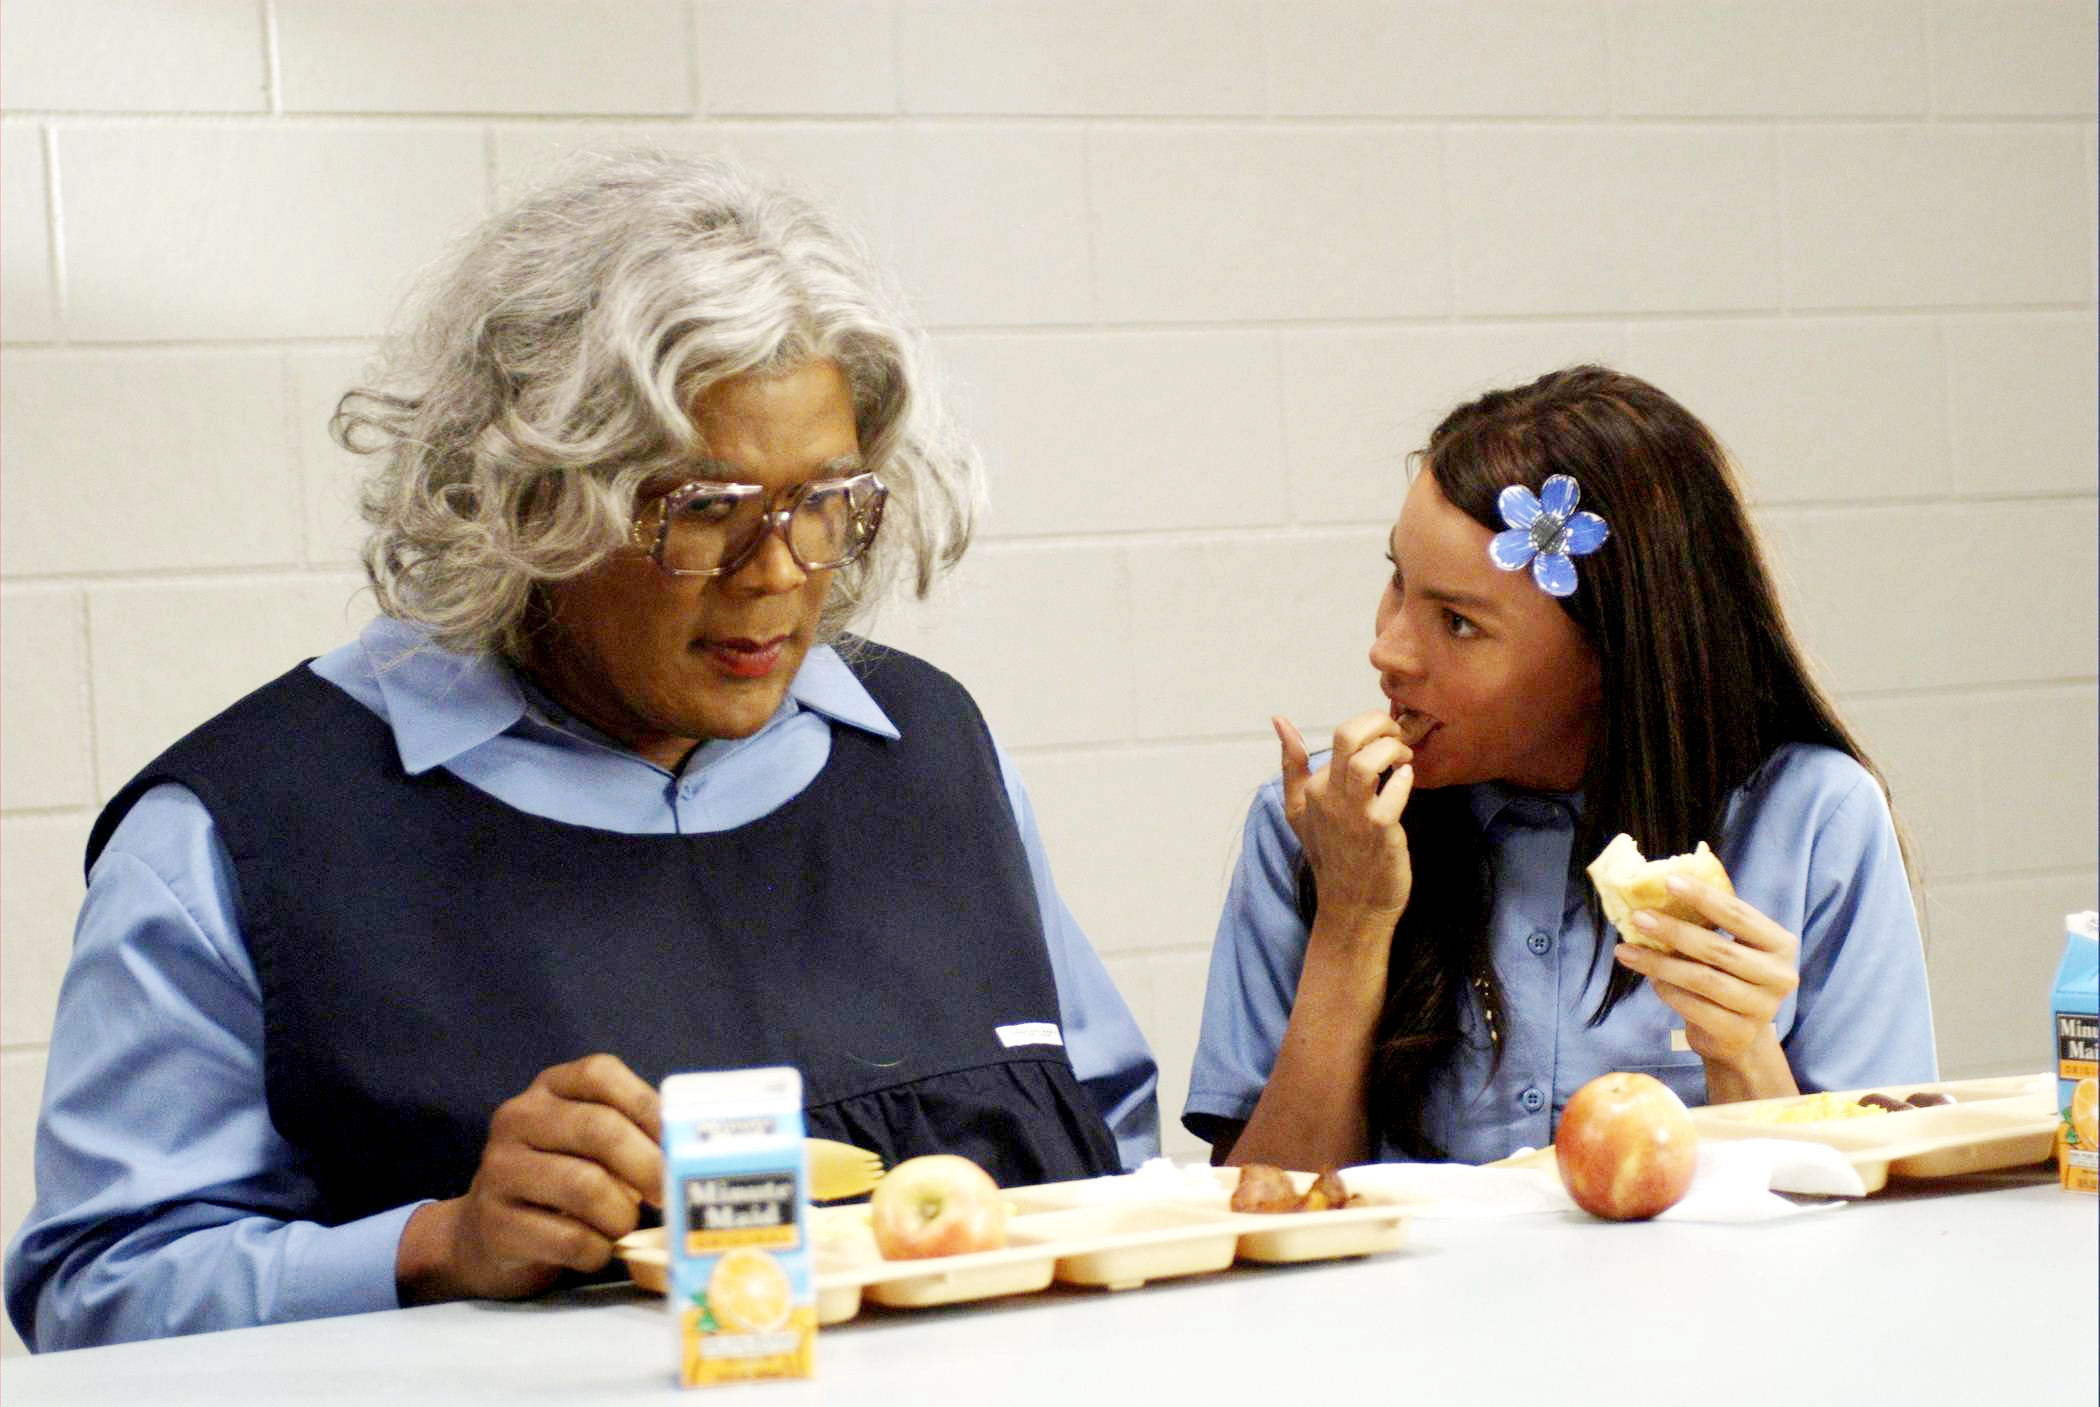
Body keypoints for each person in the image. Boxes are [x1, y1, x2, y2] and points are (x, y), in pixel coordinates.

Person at [6, 150, 1157, 1352]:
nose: (776, 574)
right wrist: (437, 1246)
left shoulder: (933, 754)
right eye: (703, 510)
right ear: (531, 500)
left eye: (822, 504)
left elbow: (1119, 1161)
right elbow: (95, 1298)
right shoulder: (240, 838)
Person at [1184, 365, 1935, 1169]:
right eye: (1399, 580)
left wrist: (1745, 1051)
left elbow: (1878, 1205)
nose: (1388, 649)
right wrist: (1351, 923)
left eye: (1459, 623)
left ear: (1612, 654)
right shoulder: (1320, 828)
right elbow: (1262, 1208)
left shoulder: (1816, 819)